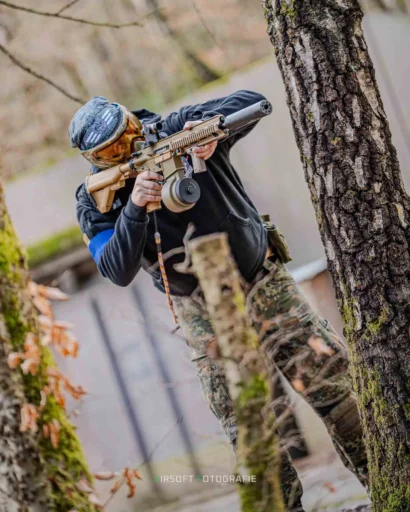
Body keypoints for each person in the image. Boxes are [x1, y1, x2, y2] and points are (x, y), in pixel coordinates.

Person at [70, 92, 368, 511]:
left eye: (128, 133)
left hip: (262, 279)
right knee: (246, 423)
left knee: (333, 385)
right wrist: (135, 207)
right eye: (113, 150)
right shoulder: (95, 198)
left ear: (134, 120)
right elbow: (115, 269)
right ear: (95, 160)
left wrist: (208, 131)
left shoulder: (178, 126)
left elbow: (253, 102)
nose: (128, 147)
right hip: (199, 309)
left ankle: (386, 485)